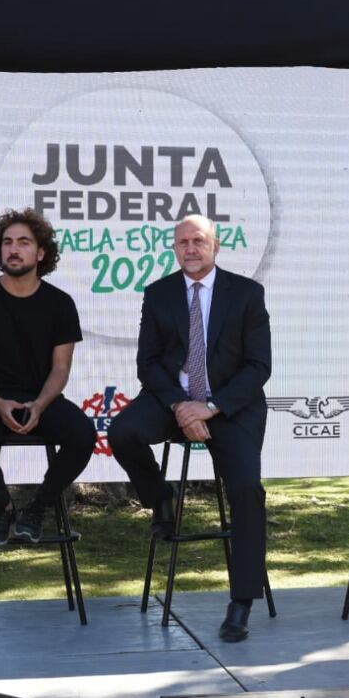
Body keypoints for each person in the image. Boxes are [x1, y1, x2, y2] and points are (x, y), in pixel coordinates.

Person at [107, 214, 272, 642]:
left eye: (198, 240)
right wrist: (183, 407)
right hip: (173, 400)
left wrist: (210, 408)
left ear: (215, 246)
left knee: (246, 490)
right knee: (123, 432)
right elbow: (148, 363)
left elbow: (258, 367)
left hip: (232, 406)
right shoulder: (159, 294)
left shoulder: (247, 294)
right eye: (182, 242)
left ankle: (242, 601)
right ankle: (161, 497)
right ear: (174, 249)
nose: (190, 249)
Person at [0, 208, 96, 545]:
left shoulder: (60, 304)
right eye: (7, 242)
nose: (14, 249)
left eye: (24, 242)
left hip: (41, 398)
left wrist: (42, 404)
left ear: (41, 252)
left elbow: (61, 368)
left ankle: (39, 507)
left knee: (82, 434)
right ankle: (2, 507)